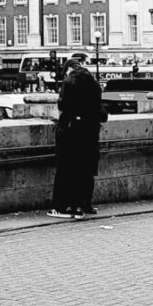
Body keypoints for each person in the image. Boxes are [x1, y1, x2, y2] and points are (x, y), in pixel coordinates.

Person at [48, 51, 103, 218]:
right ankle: (84, 204)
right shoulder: (93, 82)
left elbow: (63, 104)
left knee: (66, 169)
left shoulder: (70, 80)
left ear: (69, 69)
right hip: (90, 131)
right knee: (86, 170)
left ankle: (64, 206)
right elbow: (99, 109)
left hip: (71, 131)